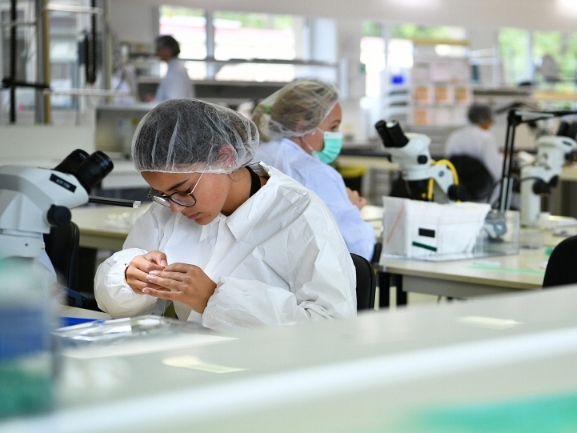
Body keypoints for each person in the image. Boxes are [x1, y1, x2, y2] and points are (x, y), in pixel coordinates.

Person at [94, 99, 356, 330]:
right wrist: (130, 277)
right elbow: (118, 306)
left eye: (183, 190)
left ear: (225, 158)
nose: (175, 208)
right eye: (163, 195)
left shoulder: (299, 214)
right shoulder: (171, 209)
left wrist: (213, 298)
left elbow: (332, 328)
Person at [252, 79, 376, 261]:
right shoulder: (316, 174)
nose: (337, 134)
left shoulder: (253, 155)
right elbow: (359, 252)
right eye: (333, 127)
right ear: (302, 127)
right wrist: (352, 209)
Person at [444, 104, 504, 183]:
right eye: (490, 121)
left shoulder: (454, 136)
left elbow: (449, 162)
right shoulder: (486, 137)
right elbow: (496, 170)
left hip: (458, 187)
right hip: (482, 189)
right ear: (485, 120)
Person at [146, 35, 194, 103]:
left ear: (168, 49)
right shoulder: (174, 67)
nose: (157, 53)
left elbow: (173, 102)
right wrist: (155, 100)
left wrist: (154, 101)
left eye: (159, 49)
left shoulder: (177, 71)